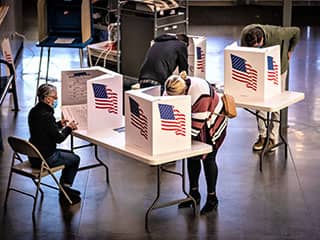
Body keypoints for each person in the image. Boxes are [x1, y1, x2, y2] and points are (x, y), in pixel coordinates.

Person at [164, 73, 228, 215]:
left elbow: (194, 129)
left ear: (184, 93)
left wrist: (172, 140)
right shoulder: (171, 86)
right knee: (191, 157)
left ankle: (212, 198)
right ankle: (194, 195)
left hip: (212, 122)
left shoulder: (200, 95)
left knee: (208, 159)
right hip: (195, 120)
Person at [240, 24, 300, 151]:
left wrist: (290, 50)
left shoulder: (277, 34)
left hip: (278, 69)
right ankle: (262, 136)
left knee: (276, 103)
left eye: (258, 46)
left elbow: (296, 31)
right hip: (259, 69)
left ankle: (273, 138)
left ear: (262, 40)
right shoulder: (246, 34)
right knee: (259, 101)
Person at [28, 83, 81, 204]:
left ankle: (65, 188)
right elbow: (59, 138)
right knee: (75, 158)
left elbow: (43, 129)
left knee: (69, 154)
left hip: (33, 156)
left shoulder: (34, 111)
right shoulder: (47, 115)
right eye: (55, 97)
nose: (56, 100)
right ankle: (65, 190)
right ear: (47, 98)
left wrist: (58, 124)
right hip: (45, 159)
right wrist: (69, 128)